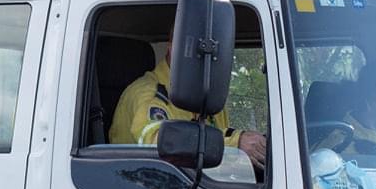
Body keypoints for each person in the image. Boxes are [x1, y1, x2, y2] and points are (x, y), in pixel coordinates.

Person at [109, 42, 269, 168]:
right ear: (174, 48)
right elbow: (159, 142)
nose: (211, 60)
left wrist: (251, 145)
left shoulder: (207, 97)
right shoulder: (148, 93)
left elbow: (218, 146)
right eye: (203, 51)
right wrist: (235, 144)